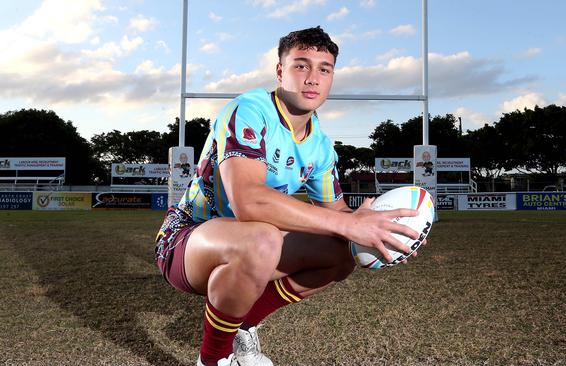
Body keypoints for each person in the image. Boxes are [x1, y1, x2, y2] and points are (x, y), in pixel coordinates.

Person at [155, 26, 422, 366]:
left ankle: (245, 324)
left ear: (332, 78)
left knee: (340, 252)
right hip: (188, 238)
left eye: (324, 69)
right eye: (301, 65)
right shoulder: (250, 109)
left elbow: (337, 214)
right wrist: (349, 225)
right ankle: (212, 360)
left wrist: (384, 233)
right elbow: (248, 201)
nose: (313, 78)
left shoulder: (321, 145)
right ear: (280, 71)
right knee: (262, 237)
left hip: (251, 243)